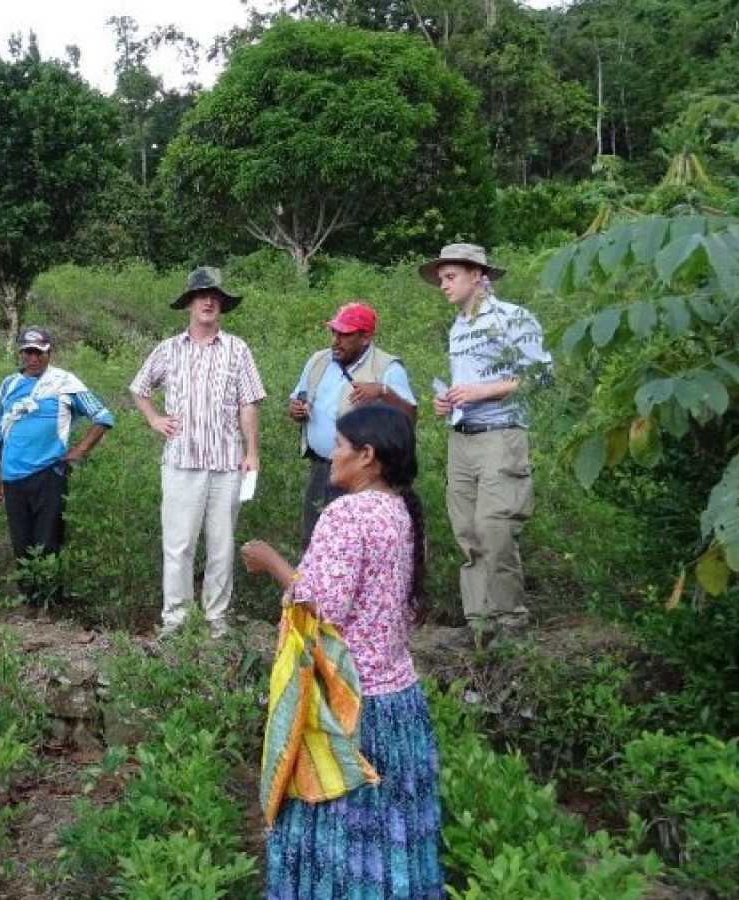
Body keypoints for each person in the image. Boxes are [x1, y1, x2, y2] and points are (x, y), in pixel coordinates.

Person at [241, 404, 444, 899]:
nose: (331, 456)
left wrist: (270, 562)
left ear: (367, 456)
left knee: (336, 826)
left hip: (348, 707)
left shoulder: (348, 514)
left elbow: (320, 608)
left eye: (340, 445)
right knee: (386, 827)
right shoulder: (399, 511)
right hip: (396, 700)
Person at [421, 243, 552, 648]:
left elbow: (540, 377)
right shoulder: (458, 326)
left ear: (477, 275)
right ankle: (479, 625)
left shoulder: (513, 318)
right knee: (467, 532)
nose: (443, 285)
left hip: (502, 436)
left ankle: (512, 625)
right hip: (462, 439)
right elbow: (467, 386)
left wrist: (481, 392)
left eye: (451, 276)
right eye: (441, 278)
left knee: (494, 528)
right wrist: (448, 401)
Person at [130, 266, 266, 638]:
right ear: (189, 303)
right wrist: (155, 419)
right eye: (202, 295)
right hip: (181, 461)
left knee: (222, 544)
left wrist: (252, 451)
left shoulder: (238, 349)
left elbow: (249, 403)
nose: (209, 301)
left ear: (221, 304)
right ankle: (175, 619)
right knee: (179, 543)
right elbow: (139, 388)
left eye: (215, 296)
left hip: (226, 461)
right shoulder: (169, 349)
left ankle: (216, 618)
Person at [0, 326, 115, 614]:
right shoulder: (8, 385)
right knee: (21, 543)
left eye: (37, 352)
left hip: (49, 472)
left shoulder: (64, 382)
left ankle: (51, 605)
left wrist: (78, 452)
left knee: (49, 540)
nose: (31, 357)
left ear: (48, 354)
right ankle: (30, 604)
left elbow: (103, 416)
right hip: (12, 476)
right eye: (27, 351)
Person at [288, 301, 416, 545]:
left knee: (353, 542)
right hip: (321, 468)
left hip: (363, 475)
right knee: (314, 539)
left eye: (345, 334)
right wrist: (296, 409)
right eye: (334, 332)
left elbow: (409, 419)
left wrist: (383, 391)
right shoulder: (318, 361)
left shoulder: (387, 367)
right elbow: (298, 398)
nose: (336, 340)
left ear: (366, 337)